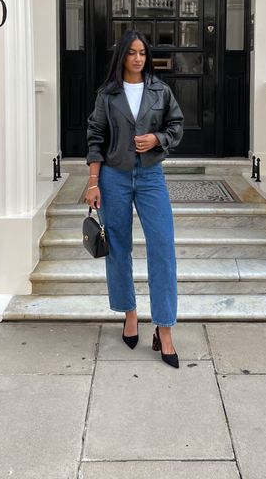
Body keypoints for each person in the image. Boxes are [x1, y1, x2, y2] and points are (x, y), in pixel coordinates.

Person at [85, 30, 184, 368]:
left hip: (151, 176)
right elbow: (95, 136)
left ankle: (165, 328)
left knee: (162, 248)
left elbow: (176, 126)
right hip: (113, 176)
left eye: (142, 52)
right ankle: (129, 313)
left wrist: (157, 139)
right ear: (122, 56)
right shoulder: (107, 94)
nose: (138, 58)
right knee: (119, 247)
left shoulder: (160, 90)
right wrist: (93, 181)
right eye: (131, 52)